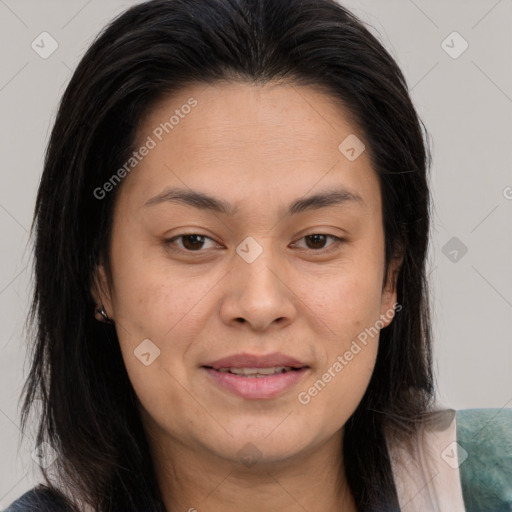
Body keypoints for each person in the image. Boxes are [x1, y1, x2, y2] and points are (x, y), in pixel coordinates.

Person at [4, 0, 511, 511]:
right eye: (193, 241)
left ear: (390, 280)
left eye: (317, 240)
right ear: (100, 277)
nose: (261, 303)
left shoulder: (494, 483)